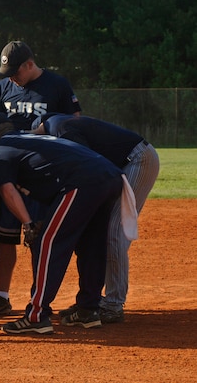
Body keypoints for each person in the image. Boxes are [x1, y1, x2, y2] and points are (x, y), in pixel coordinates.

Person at [0, 114, 125, 334]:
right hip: (109, 175)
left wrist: (28, 224)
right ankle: (88, 310)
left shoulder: (0, 150)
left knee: (47, 243)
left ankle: (36, 315)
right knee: (91, 244)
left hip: (82, 181)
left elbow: (8, 190)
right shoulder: (24, 141)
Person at [31, 113, 160, 323]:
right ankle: (95, 301)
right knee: (104, 230)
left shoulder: (60, 128)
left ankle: (113, 305)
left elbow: (86, 163)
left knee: (115, 232)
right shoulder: (60, 125)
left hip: (137, 160)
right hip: (121, 165)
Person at [0, 41, 82, 317]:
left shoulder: (57, 85)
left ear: (30, 64)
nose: (11, 78)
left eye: (15, 71)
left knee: (38, 237)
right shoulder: (3, 87)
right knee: (4, 238)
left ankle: (37, 297)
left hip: (41, 176)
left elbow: (74, 124)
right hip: (7, 172)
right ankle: (1, 295)